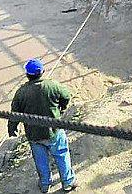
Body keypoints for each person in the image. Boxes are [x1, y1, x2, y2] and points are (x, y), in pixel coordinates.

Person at [8, 59, 78, 193]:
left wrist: (12, 129)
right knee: (62, 155)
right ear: (42, 72)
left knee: (41, 161)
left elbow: (14, 114)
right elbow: (66, 96)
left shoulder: (21, 92)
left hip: (34, 135)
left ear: (27, 75)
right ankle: (68, 182)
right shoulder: (52, 85)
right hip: (54, 131)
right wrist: (61, 109)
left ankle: (45, 185)